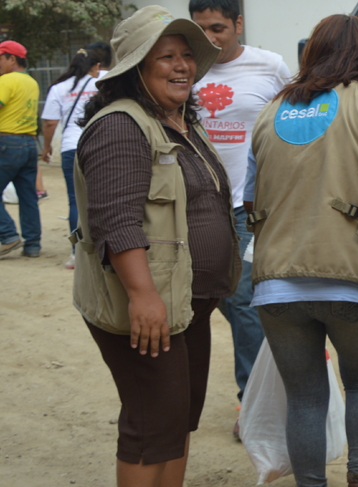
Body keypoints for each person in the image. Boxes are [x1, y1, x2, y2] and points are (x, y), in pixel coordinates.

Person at [248, 14, 358, 487]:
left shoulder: (271, 110)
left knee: (305, 397)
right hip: (352, 274)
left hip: (277, 280)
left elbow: (249, 197)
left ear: (311, 54)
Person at [73, 6, 236, 486]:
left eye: (187, 55)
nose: (182, 65)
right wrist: (143, 296)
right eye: (166, 56)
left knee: (178, 419)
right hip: (150, 307)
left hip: (186, 304)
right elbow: (116, 221)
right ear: (136, 66)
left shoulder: (181, 122)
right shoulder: (120, 126)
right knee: (151, 426)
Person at [189, 0, 291, 437]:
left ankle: (253, 404)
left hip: (248, 203)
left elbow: (293, 119)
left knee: (245, 296)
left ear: (238, 24)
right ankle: (283, 353)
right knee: (215, 293)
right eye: (200, 29)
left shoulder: (270, 66)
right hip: (196, 201)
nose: (209, 38)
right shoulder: (185, 68)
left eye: (217, 28)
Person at [40, 46, 107, 269]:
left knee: (75, 200)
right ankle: (107, 250)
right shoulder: (103, 82)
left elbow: (50, 122)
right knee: (106, 197)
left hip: (71, 147)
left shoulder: (59, 88)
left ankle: (76, 253)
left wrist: (47, 147)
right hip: (101, 144)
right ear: (96, 66)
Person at [0, 39, 40, 259]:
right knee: (28, 197)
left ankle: (8, 235)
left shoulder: (6, 81)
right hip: (29, 144)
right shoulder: (32, 82)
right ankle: (32, 245)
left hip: (6, 144)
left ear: (11, 59)